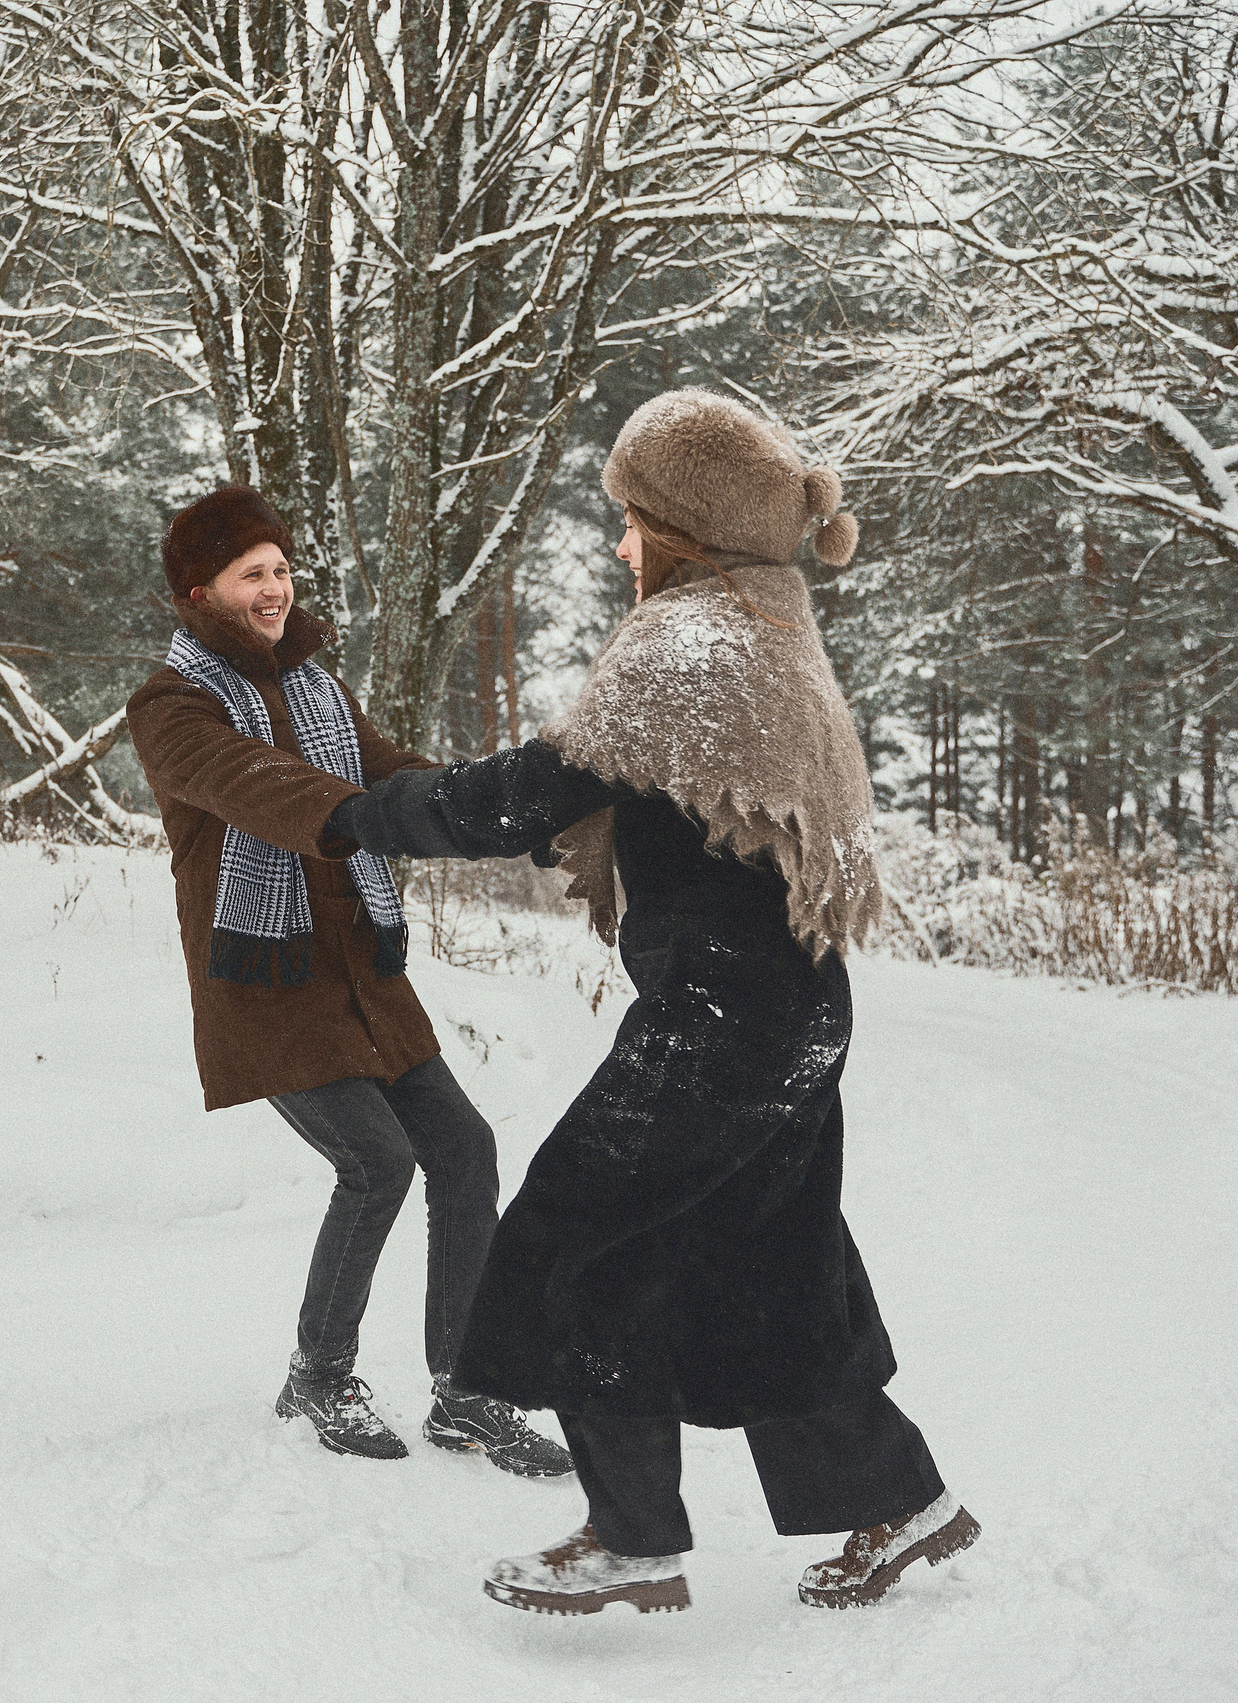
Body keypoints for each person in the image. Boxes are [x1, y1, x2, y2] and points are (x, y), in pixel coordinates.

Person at [328, 393, 979, 1615]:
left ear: (677, 522)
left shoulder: (691, 639)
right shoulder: (766, 619)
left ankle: (630, 1536)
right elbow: (656, 800)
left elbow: (539, 786)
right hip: (790, 1004)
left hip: (723, 1017)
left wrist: (356, 815)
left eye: (630, 519)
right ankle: (901, 1502)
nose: (620, 543)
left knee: (579, 1238)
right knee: (767, 1260)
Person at [124, 485, 571, 1479]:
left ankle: (467, 1388)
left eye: (281, 568)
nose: (276, 586)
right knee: (376, 1162)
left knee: (463, 1149)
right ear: (202, 592)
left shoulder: (320, 689)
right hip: (266, 975)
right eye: (253, 574)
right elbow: (267, 790)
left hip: (361, 970)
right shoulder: (171, 708)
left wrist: (500, 815)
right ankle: (319, 1374)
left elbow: (391, 773)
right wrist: (374, 814)